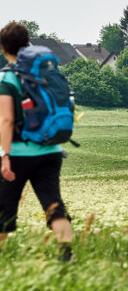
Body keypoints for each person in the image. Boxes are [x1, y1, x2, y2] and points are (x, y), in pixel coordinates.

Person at [0, 22, 72, 262]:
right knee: (54, 204)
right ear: (26, 43)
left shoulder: (8, 78)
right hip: (52, 150)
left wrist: (4, 156)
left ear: (3, 48)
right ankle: (66, 256)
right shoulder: (44, 73)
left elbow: (7, 120)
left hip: (20, 153)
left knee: (4, 209)